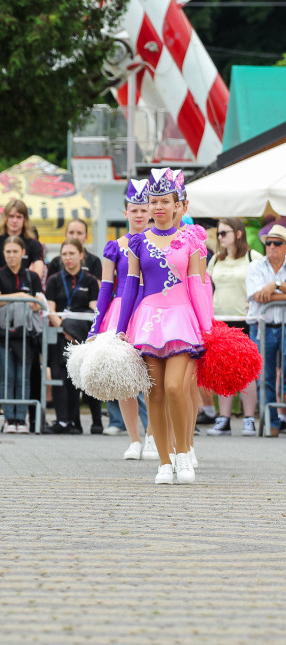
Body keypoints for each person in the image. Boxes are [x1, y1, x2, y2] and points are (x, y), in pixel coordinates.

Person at [116, 168, 209, 484]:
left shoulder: (190, 241)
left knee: (175, 387)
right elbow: (130, 287)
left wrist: (206, 326)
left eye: (164, 201)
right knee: (154, 393)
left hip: (182, 320)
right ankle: (165, 462)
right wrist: (121, 327)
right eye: (153, 201)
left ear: (176, 205)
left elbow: (196, 284)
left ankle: (183, 453)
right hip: (149, 321)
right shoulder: (138, 242)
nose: (157, 207)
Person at [87, 182, 152, 459]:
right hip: (119, 310)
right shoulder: (115, 246)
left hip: (148, 310)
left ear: (150, 211)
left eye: (142, 209)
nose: (138, 214)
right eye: (133, 210)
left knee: (150, 377)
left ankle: (153, 436)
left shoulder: (157, 243)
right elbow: (105, 286)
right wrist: (97, 323)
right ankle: (134, 439)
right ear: (125, 213)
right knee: (125, 379)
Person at [206, 218, 261, 436]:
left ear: (238, 233)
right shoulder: (216, 260)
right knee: (222, 370)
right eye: (218, 234)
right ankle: (224, 419)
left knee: (247, 371)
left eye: (224, 233)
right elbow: (206, 286)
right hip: (220, 319)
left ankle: (249, 418)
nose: (219, 237)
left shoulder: (252, 258)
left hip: (245, 319)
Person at [0, 236, 46, 433]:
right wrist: (21, 297)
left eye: (15, 252)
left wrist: (28, 300)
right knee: (8, 376)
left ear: (23, 253)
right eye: (8, 252)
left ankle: (21, 419)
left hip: (25, 335)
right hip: (2, 334)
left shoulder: (32, 277)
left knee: (23, 376)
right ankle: (8, 419)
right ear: (3, 254)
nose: (11, 256)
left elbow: (39, 302)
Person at [45, 238, 99, 435]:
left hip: (82, 337)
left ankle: (75, 422)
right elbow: (50, 310)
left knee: (75, 378)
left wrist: (75, 332)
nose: (67, 258)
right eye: (64, 254)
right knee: (59, 376)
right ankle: (62, 421)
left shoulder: (91, 281)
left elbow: (94, 310)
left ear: (81, 255)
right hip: (60, 335)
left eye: (71, 253)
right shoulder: (54, 280)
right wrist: (64, 329)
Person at [245, 223, 286, 438]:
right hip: (263, 326)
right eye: (268, 243)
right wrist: (279, 289)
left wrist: (274, 285)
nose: (271, 247)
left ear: (285, 246)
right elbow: (258, 296)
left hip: (283, 325)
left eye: (277, 243)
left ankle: (278, 419)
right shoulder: (255, 266)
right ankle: (272, 422)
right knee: (266, 376)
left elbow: (265, 294)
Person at [0, 199, 46, 280]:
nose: (14, 220)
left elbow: (37, 276)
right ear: (5, 218)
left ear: (25, 219)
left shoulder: (34, 245)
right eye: (11, 216)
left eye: (19, 217)